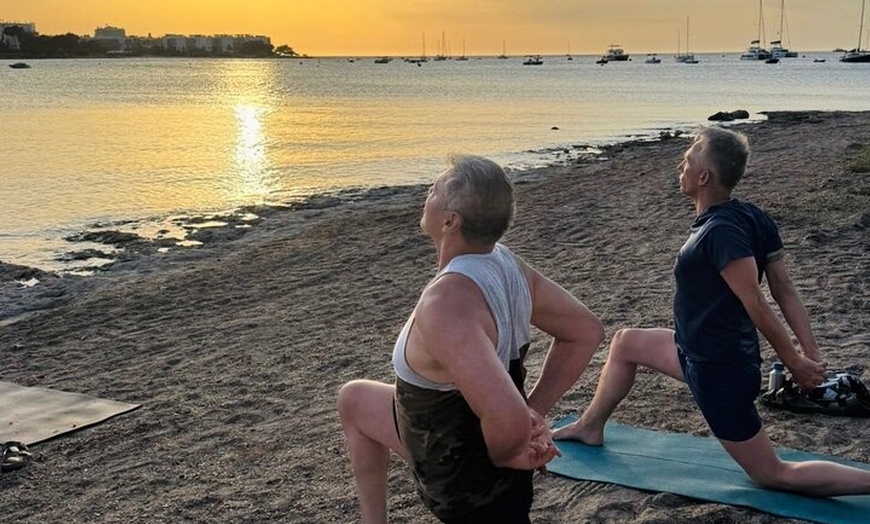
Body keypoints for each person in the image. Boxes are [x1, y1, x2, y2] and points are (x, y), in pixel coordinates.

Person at [553, 126, 870, 496]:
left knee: (772, 474)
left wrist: (798, 362)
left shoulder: (721, 233)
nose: (681, 166)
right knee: (626, 343)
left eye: (688, 161)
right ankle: (591, 426)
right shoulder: (750, 216)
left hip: (719, 373)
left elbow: (757, 301)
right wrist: (810, 353)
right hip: (694, 352)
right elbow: (785, 288)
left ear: (704, 177)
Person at [338, 154, 605, 523]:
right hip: (461, 441)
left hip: (461, 481)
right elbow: (585, 332)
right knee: (354, 399)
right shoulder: (506, 264)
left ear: (450, 220)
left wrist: (512, 446)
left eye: (434, 189)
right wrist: (535, 410)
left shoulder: (446, 303)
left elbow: (508, 417)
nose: (427, 193)